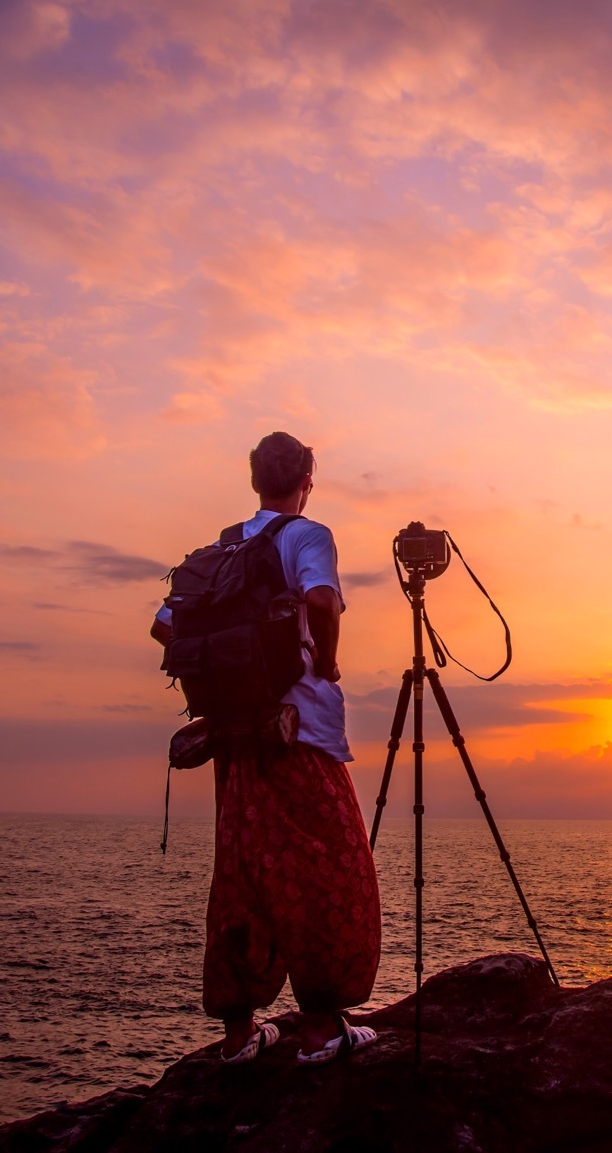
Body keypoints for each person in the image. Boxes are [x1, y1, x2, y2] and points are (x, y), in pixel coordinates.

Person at [201, 431, 381, 1066]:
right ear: (308, 479)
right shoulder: (307, 535)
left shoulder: (227, 545)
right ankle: (324, 1028)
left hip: (237, 738)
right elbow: (322, 599)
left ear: (255, 481)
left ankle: (239, 1033)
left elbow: (167, 622)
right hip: (298, 731)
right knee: (331, 870)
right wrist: (326, 664)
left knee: (244, 876)